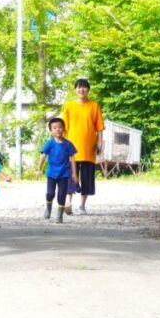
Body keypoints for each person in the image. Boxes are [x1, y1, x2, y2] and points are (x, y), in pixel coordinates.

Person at [62, 77, 105, 215]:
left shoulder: (94, 106)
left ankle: (81, 206)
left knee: (87, 177)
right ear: (75, 89)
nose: (82, 89)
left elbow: (99, 128)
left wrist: (99, 143)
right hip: (71, 148)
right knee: (70, 176)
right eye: (79, 87)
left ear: (88, 89)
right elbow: (63, 127)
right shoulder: (69, 105)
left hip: (88, 147)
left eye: (84, 87)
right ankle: (68, 202)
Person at [37, 117, 77, 224]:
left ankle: (60, 215)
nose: (58, 129)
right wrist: (38, 169)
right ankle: (48, 207)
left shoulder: (68, 144)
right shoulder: (50, 143)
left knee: (62, 194)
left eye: (60, 127)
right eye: (54, 128)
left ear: (64, 129)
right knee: (50, 193)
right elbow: (43, 156)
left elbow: (73, 159)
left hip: (64, 173)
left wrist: (74, 173)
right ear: (51, 130)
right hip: (51, 173)